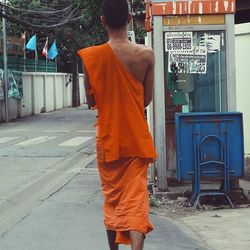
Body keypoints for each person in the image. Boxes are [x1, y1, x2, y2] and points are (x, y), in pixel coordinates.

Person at [77, 0, 157, 249]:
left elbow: (90, 100)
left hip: (109, 140)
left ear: (102, 21)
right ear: (130, 18)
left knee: (112, 198)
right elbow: (146, 99)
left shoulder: (90, 57)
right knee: (135, 201)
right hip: (136, 138)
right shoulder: (145, 55)